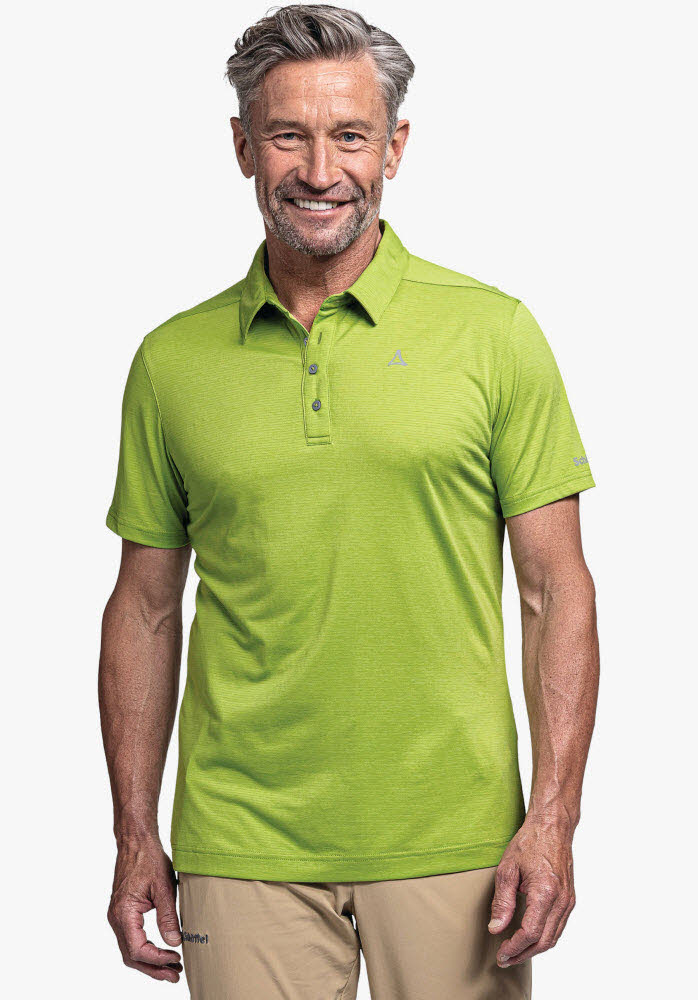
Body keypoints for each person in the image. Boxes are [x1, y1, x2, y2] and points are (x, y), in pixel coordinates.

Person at [99, 5, 599, 998]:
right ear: (242, 146)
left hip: (456, 837)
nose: (320, 170)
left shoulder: (493, 335)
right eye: (288, 135)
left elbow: (555, 590)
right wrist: (133, 833)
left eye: (351, 136)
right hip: (241, 840)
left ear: (395, 148)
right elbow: (145, 608)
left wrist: (552, 819)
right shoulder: (171, 362)